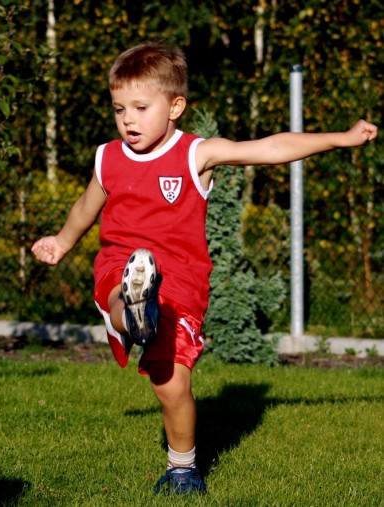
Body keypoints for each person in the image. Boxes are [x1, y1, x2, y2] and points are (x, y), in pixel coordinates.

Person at [31, 42, 378, 495]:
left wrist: (340, 137)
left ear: (175, 106)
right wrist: (61, 241)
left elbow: (270, 148)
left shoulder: (197, 154)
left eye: (140, 107)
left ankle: (182, 469)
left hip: (181, 282)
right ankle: (136, 307)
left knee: (169, 384)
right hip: (121, 263)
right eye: (119, 109)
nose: (128, 120)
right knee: (120, 288)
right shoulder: (108, 158)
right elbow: (85, 206)